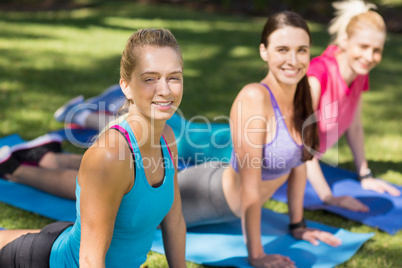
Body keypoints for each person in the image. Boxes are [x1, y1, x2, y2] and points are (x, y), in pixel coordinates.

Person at [0, 28, 186, 268]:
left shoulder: (167, 138)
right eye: (150, 78)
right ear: (126, 86)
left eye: (174, 77)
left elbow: (175, 222)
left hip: (71, 237)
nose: (165, 90)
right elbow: (90, 261)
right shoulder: (110, 155)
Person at [178, 11, 341, 268]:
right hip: (199, 195)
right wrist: (256, 255)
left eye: (301, 50)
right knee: (122, 210)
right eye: (282, 49)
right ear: (264, 51)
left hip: (221, 196)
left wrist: (298, 226)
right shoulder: (254, 98)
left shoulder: (304, 93)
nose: (293, 60)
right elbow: (249, 188)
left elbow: (298, 166)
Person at [306, 0, 401, 212]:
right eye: (363, 47)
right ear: (344, 40)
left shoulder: (359, 74)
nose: (369, 57)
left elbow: (354, 126)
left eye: (377, 50)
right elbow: (301, 144)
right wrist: (328, 197)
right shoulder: (318, 74)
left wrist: (364, 175)